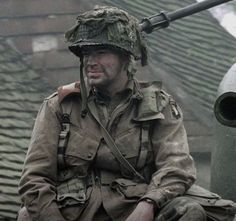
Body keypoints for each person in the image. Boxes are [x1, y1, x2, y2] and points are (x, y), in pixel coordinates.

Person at [18, 5, 212, 221]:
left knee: (188, 211)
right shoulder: (60, 106)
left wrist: (149, 203)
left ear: (125, 58)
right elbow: (34, 179)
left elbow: (176, 168)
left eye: (101, 52)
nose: (91, 62)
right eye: (87, 54)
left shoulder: (158, 106)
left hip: (134, 210)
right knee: (27, 215)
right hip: (73, 213)